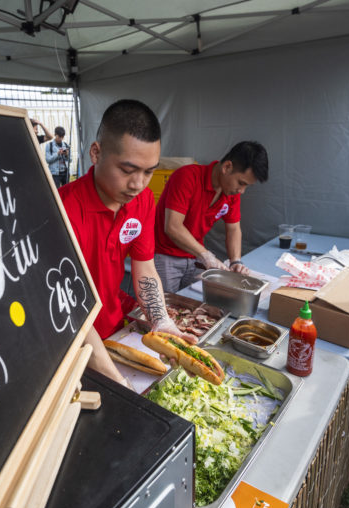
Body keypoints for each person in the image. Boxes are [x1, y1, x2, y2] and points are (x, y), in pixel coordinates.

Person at [58, 99, 196, 388]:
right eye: (128, 169)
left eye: (148, 172)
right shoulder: (60, 210)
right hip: (70, 339)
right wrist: (117, 381)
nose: (138, 184)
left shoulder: (143, 200)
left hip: (115, 323)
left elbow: (144, 267)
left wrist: (161, 321)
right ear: (96, 153)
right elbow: (68, 309)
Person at [153, 141, 269, 293]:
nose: (242, 191)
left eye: (247, 186)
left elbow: (233, 228)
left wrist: (235, 261)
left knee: (196, 304)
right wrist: (206, 255)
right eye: (241, 183)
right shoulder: (187, 176)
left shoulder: (230, 192)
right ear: (227, 167)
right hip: (165, 255)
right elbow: (173, 227)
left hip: (195, 257)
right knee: (163, 308)